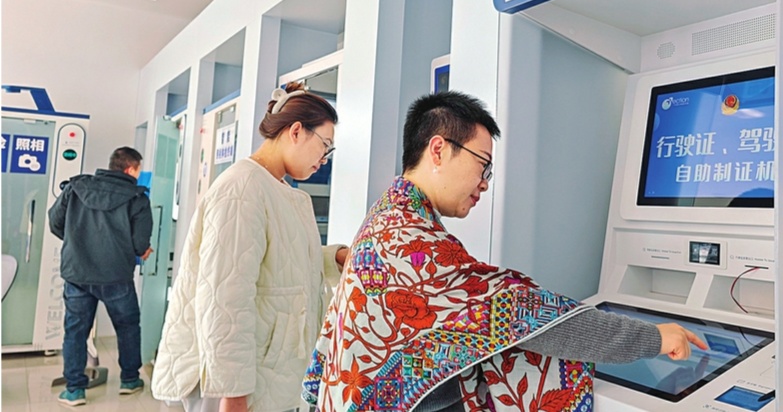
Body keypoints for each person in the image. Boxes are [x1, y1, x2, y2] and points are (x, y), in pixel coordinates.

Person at [302, 91, 708, 412]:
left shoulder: (388, 216)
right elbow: (532, 318)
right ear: (438, 150)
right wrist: (653, 337)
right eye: (483, 164)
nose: (485, 182)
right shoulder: (412, 242)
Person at [151, 82, 350, 412]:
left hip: (267, 374)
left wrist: (337, 258)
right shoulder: (242, 189)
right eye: (324, 145)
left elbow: (282, 260)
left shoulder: (276, 189)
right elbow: (225, 298)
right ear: (296, 131)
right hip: (232, 383)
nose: (324, 160)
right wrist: (233, 393)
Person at [48, 146, 154, 406]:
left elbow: (55, 222)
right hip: (116, 276)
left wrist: (77, 242)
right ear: (131, 169)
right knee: (127, 327)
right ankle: (129, 380)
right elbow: (140, 243)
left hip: (78, 274)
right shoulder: (138, 198)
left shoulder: (76, 188)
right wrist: (140, 249)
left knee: (75, 331)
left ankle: (74, 389)